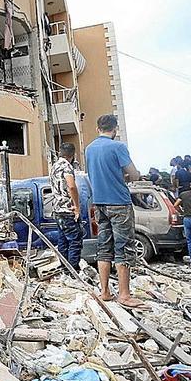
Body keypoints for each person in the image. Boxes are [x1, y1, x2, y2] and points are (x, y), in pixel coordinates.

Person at [85, 114, 147, 310]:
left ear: (98, 128)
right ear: (115, 129)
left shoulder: (89, 149)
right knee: (124, 247)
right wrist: (124, 178)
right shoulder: (118, 147)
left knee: (104, 246)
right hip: (119, 202)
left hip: (99, 202)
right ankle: (124, 294)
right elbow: (134, 173)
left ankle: (104, 291)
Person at [49, 142, 86, 271]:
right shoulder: (67, 166)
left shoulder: (54, 166)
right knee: (75, 241)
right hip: (67, 209)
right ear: (73, 154)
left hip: (57, 209)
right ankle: (72, 270)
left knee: (63, 241)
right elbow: (71, 186)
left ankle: (64, 267)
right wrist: (77, 206)